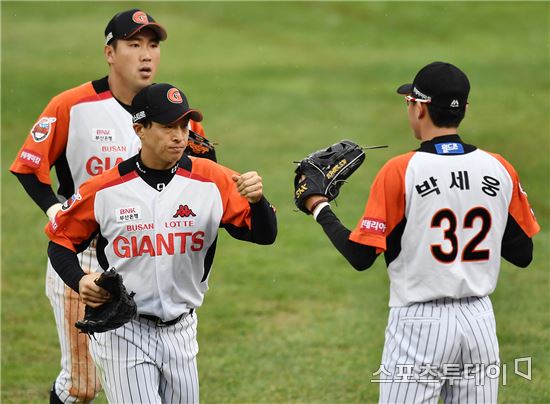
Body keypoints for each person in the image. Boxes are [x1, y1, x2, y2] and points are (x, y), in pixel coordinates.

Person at [301, 62, 539, 403]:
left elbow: (360, 255)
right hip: (479, 323)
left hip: (419, 325)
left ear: (419, 107)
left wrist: (318, 206)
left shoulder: (400, 171)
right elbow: (523, 253)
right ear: (464, 108)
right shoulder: (499, 168)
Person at [10, 9, 208, 403]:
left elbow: (206, 173)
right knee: (82, 386)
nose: (146, 55)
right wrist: (54, 211)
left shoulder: (174, 116)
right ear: (110, 53)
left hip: (145, 257)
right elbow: (29, 166)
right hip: (83, 258)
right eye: (134, 44)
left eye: (153, 45)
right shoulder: (72, 106)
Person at [45, 83, 277, 403]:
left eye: (183, 126)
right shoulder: (104, 188)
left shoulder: (214, 180)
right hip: (124, 330)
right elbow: (59, 240)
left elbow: (265, 235)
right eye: (168, 127)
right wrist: (79, 279)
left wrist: (258, 202)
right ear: (140, 128)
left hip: (183, 331)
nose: (179, 136)